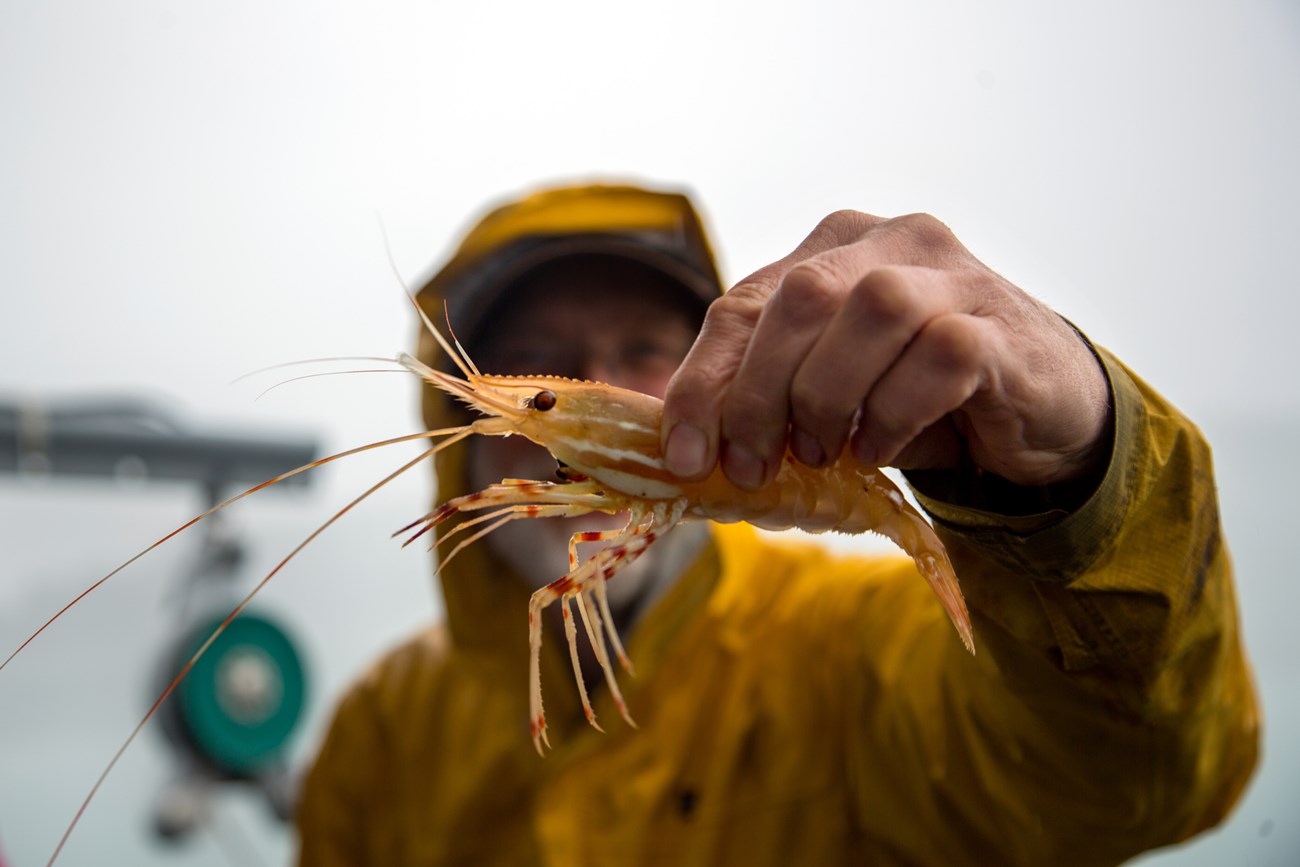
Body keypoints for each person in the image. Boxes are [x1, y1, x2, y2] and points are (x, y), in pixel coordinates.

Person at [295, 183, 1259, 866]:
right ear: (457, 436)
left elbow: (1130, 785)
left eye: (645, 350)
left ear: (715, 368)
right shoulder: (382, 724)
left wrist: (1071, 480)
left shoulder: (851, 648)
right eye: (540, 366)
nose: (614, 383)